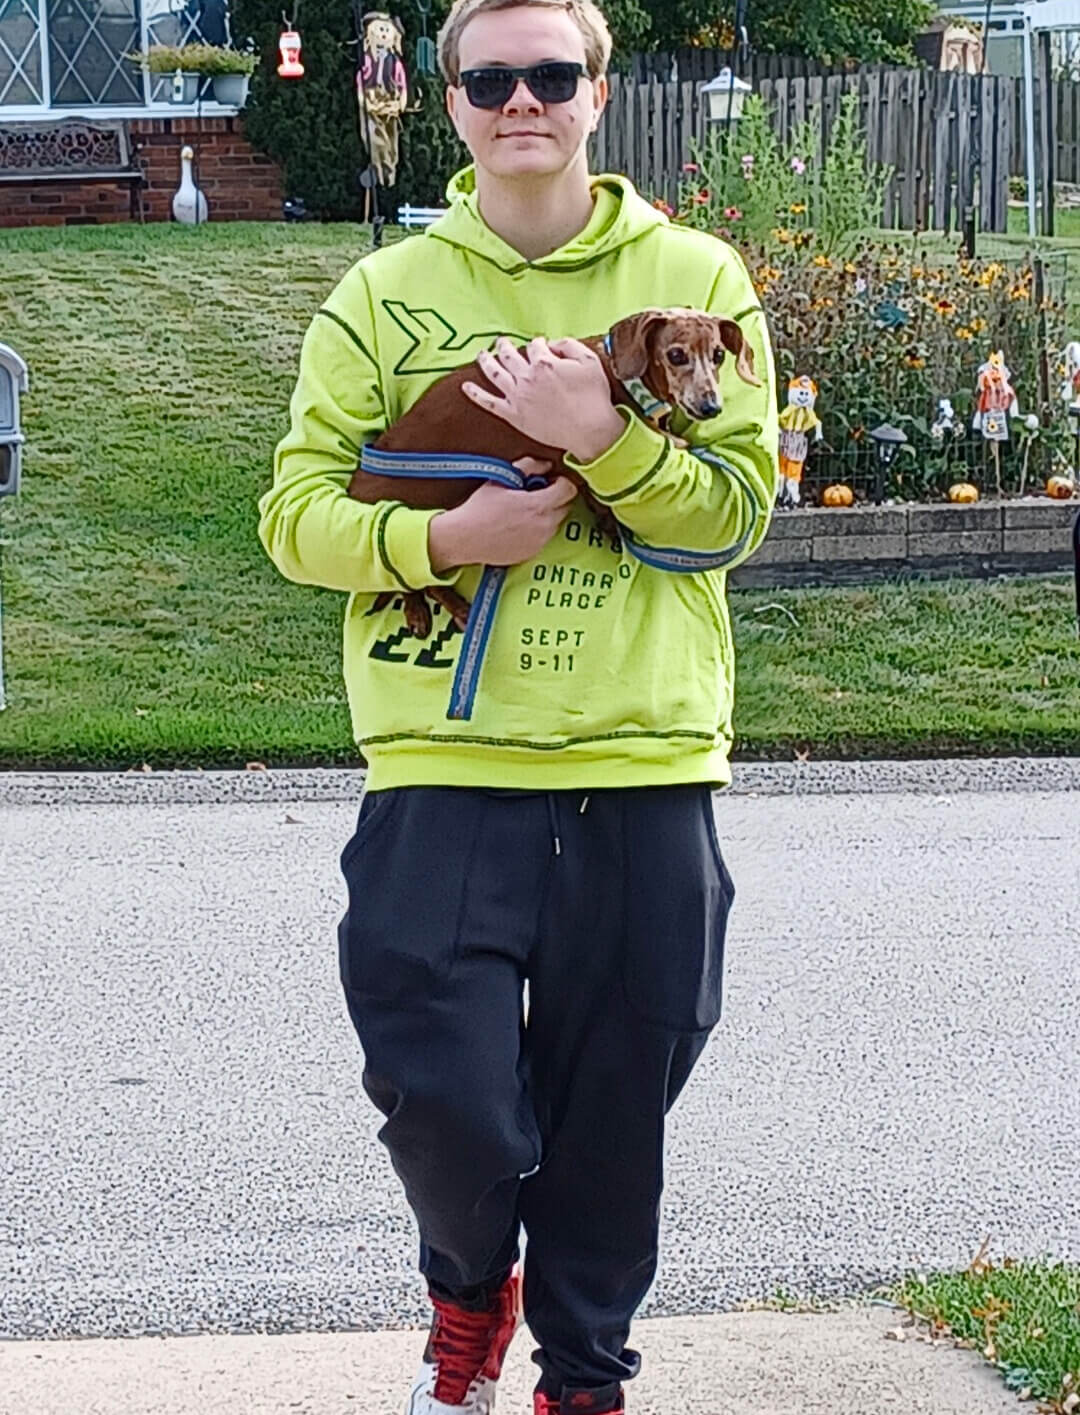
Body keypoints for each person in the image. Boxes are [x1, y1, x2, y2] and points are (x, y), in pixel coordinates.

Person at [257, 0, 779, 1410]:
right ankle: (466, 1276)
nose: (522, 99)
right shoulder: (385, 294)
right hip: (442, 759)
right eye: (491, 78)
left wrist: (600, 436)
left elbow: (730, 517)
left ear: (599, 94)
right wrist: (446, 542)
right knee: (446, 1102)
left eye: (553, 73)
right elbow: (297, 519)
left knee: (616, 1117)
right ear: (452, 104)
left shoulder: (694, 276)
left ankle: (586, 1375)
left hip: (645, 758)